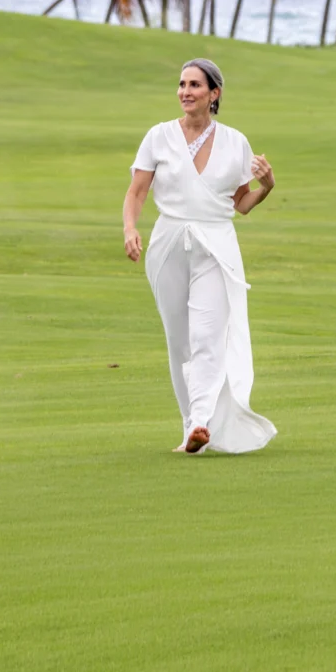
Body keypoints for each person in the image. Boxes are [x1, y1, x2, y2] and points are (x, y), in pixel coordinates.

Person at [123, 57, 277, 455]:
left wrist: (268, 186)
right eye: (181, 84)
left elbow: (241, 203)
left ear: (214, 94)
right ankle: (189, 423)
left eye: (194, 85)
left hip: (216, 246)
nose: (185, 92)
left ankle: (200, 424)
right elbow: (137, 191)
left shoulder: (235, 141)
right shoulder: (158, 136)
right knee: (180, 341)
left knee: (208, 336)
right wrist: (130, 229)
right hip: (169, 243)